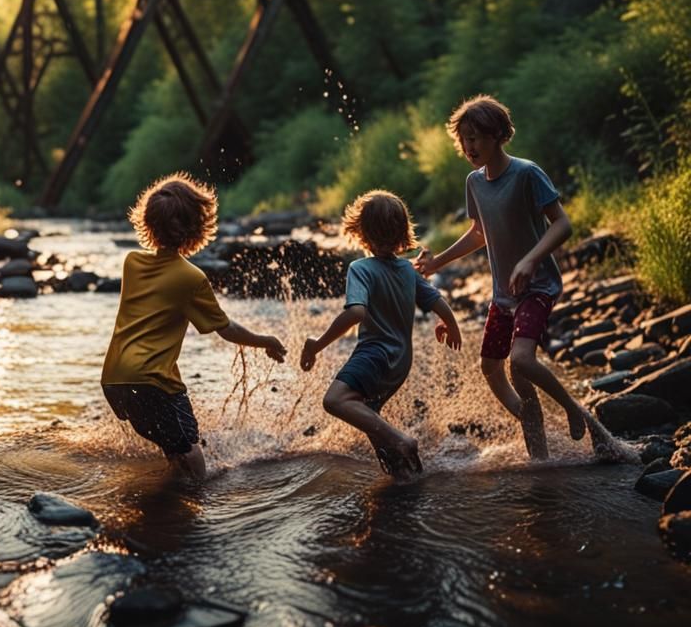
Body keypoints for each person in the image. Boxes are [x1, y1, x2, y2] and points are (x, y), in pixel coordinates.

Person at [413, 94, 590, 460]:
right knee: (491, 367)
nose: (468, 146)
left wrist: (530, 260)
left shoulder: (527, 173)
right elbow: (479, 233)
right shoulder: (474, 182)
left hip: (538, 286)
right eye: (463, 139)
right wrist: (438, 262)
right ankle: (533, 433)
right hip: (503, 294)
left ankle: (572, 409)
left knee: (521, 361)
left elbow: (563, 224)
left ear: (497, 135)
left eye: (475, 138)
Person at [101, 172, 287, 481]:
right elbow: (226, 328)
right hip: (153, 381)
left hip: (114, 380)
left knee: (172, 445)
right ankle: (199, 502)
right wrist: (265, 340)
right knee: (189, 447)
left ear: (147, 222)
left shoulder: (131, 263)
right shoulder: (191, 278)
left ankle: (170, 500)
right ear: (197, 226)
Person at [300, 190, 461, 479]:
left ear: (361, 233)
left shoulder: (360, 269)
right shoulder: (408, 271)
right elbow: (438, 301)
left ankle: (403, 441)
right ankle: (406, 475)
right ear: (403, 233)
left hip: (374, 354)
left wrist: (317, 344)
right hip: (401, 361)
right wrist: (451, 325)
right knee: (369, 416)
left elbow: (356, 313)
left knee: (335, 400)